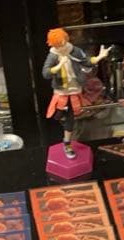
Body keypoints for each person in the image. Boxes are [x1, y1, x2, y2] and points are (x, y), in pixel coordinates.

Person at [42, 28, 111, 159]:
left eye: (62, 44)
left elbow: (86, 61)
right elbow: (45, 73)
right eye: (57, 45)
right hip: (61, 91)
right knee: (58, 115)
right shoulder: (53, 55)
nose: (60, 47)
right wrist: (59, 66)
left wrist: (99, 57)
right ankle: (64, 129)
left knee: (71, 118)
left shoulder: (74, 50)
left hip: (75, 89)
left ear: (66, 40)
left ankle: (67, 143)